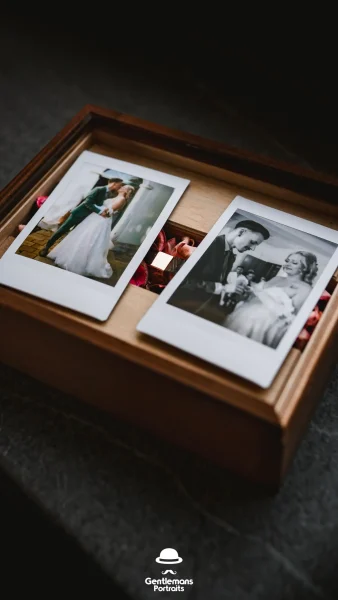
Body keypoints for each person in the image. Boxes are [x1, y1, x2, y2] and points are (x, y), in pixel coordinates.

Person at [168, 219, 270, 324]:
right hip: (176, 304)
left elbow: (216, 279)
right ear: (241, 232)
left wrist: (232, 287)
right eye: (252, 242)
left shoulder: (231, 256)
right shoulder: (208, 244)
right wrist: (220, 287)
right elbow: (175, 273)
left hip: (197, 308)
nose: (252, 248)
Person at [224, 251, 318, 348]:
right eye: (287, 261)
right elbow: (255, 298)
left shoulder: (305, 288)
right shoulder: (276, 279)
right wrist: (246, 293)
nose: (288, 264)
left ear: (305, 268)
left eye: (294, 263)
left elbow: (292, 316)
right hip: (243, 314)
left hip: (264, 325)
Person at [47, 184, 134, 278]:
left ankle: (79, 263)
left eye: (123, 187)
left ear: (126, 191)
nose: (121, 187)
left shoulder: (121, 199)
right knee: (81, 235)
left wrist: (95, 207)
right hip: (95, 217)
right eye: (122, 186)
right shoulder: (116, 197)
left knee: (90, 238)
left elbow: (109, 212)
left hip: (101, 220)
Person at [39, 178, 123, 256]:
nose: (120, 187)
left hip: (87, 218)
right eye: (120, 185)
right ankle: (46, 247)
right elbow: (87, 202)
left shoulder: (108, 193)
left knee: (73, 234)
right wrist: (100, 212)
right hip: (79, 213)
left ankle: (62, 252)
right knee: (62, 230)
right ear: (114, 184)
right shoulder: (99, 189)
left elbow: (99, 204)